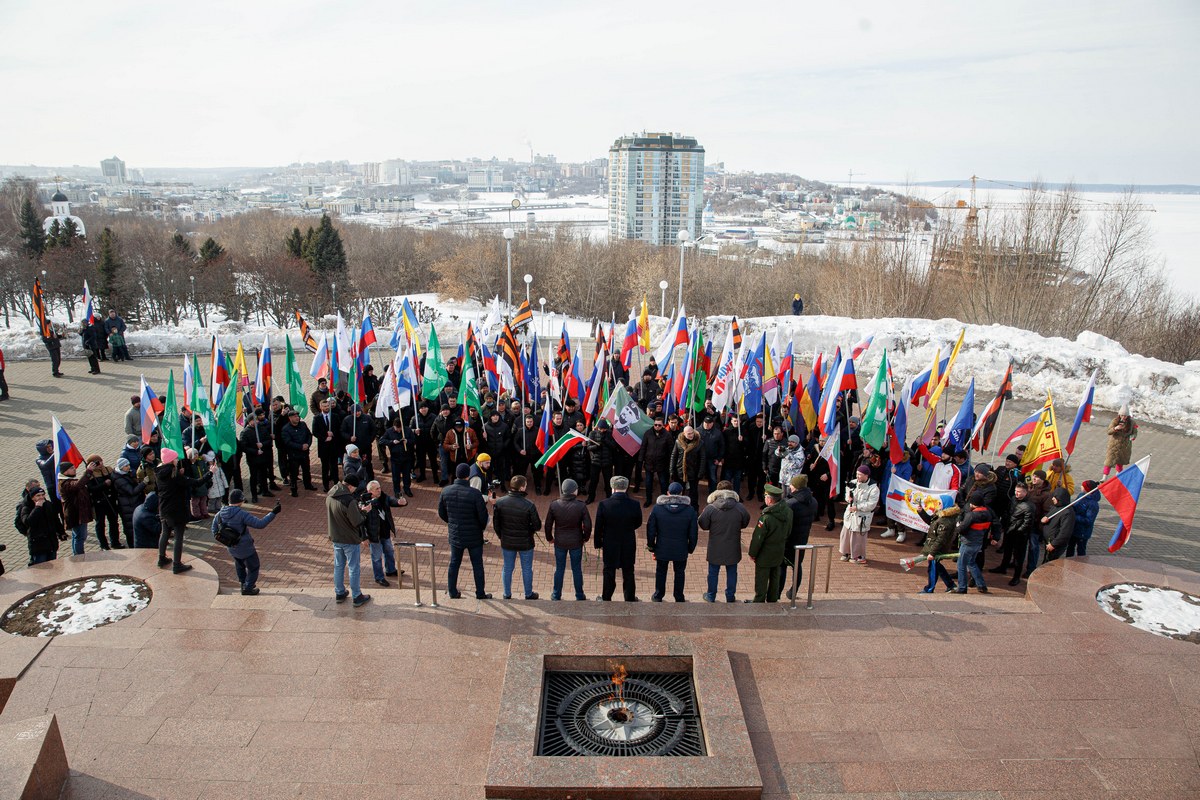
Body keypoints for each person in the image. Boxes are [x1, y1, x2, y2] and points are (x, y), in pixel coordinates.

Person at [156, 448, 214, 573]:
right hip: (176, 510)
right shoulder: (175, 475)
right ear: (171, 461)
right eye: (175, 458)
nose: (177, 460)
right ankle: (177, 564)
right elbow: (196, 482)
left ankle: (161, 558)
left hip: (164, 508)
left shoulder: (159, 473)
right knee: (178, 537)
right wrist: (210, 473)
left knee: (165, 532)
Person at [438, 462, 491, 599]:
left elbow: (442, 513)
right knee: (477, 565)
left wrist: (452, 523)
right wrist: (480, 527)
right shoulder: (475, 494)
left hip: (456, 535)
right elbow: (483, 517)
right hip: (474, 536)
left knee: (454, 563)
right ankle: (480, 593)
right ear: (468, 476)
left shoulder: (446, 491)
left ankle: (452, 591)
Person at [213, 489, 280, 595]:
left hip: (232, 548)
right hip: (246, 547)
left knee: (239, 565)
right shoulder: (242, 514)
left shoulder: (219, 514)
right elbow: (260, 524)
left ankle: (243, 584)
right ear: (240, 501)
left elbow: (214, 531)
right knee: (254, 567)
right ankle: (248, 588)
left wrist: (228, 541)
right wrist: (273, 513)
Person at [646, 482, 698, 602]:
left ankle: (658, 595)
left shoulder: (657, 509)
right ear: (681, 493)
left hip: (662, 547)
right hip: (681, 548)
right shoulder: (690, 510)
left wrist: (651, 546)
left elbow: (651, 530)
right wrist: (690, 547)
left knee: (661, 572)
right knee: (680, 573)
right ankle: (679, 596)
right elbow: (693, 533)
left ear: (668, 493)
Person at [594, 475, 643, 602]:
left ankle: (606, 596)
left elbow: (599, 526)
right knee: (628, 571)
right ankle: (630, 597)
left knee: (609, 570)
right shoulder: (635, 504)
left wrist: (598, 542)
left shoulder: (604, 504)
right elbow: (638, 522)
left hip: (610, 543)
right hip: (628, 542)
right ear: (626, 488)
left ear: (613, 488)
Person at [493, 475, 542, 600]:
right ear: (521, 488)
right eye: (525, 485)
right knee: (526, 568)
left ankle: (507, 593)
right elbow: (537, 525)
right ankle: (528, 593)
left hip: (507, 541)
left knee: (508, 567)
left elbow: (496, 524)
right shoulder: (529, 505)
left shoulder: (499, 503)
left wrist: (502, 536)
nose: (526, 487)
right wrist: (529, 531)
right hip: (525, 542)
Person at [699, 480, 749, 603]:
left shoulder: (711, 508)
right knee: (732, 572)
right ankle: (730, 596)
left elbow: (703, 524)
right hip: (733, 545)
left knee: (713, 572)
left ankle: (711, 595)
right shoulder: (740, 507)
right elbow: (745, 521)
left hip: (715, 546)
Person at [327, 473, 371, 606]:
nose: (354, 491)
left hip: (335, 537)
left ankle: (339, 592)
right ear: (350, 486)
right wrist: (364, 511)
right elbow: (357, 521)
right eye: (354, 489)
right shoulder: (349, 500)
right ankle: (357, 596)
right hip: (349, 539)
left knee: (339, 566)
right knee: (353, 567)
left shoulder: (330, 494)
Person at [545, 478, 592, 601]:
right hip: (576, 542)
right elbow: (588, 525)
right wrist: (585, 538)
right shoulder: (581, 506)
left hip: (560, 542)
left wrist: (549, 538)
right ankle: (579, 595)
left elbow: (548, 524)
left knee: (559, 569)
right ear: (573, 491)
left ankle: (556, 595)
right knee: (576, 569)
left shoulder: (554, 504)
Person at [747, 485, 791, 603]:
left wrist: (752, 553)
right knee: (775, 575)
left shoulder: (766, 518)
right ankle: (772, 599)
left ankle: (759, 600)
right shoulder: (788, 512)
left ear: (770, 500)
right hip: (779, 550)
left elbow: (758, 538)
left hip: (765, 553)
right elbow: (789, 531)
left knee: (762, 577)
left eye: (765, 496)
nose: (765, 498)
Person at [991, 481, 1035, 586]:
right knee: (1007, 551)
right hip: (1009, 530)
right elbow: (1008, 511)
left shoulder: (1029, 506)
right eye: (1016, 491)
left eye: (1019, 492)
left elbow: (1028, 523)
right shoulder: (1013, 499)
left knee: (1018, 557)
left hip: (1019, 535)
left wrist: (1018, 531)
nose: (1017, 493)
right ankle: (1003, 567)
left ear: (1025, 492)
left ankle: (1016, 577)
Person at [363, 479, 405, 587]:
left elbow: (392, 500)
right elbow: (361, 522)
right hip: (374, 535)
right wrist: (364, 537)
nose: (379, 490)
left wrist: (399, 502)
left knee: (389, 552)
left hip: (385, 532)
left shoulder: (383, 497)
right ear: (370, 491)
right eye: (377, 489)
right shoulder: (364, 503)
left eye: (380, 487)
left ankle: (390, 570)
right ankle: (379, 577)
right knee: (377, 557)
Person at [781, 475, 817, 598]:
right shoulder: (813, 501)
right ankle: (793, 591)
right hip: (802, 539)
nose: (789, 486)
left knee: (782, 566)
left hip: (788, 541)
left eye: (791, 484)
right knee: (797, 566)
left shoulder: (790, 504)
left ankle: (777, 592)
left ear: (796, 487)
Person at [839, 465, 879, 564]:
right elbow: (847, 494)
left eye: (860, 475)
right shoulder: (852, 483)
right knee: (846, 534)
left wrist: (858, 507)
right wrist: (848, 499)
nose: (857, 477)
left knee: (858, 537)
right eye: (857, 474)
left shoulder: (873, 488)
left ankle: (858, 556)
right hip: (850, 514)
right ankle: (846, 553)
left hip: (862, 517)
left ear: (866, 475)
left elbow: (871, 504)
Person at [954, 492, 993, 593]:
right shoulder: (988, 513)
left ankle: (962, 588)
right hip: (978, 542)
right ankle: (981, 585)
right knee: (971, 563)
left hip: (968, 542)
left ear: (972, 503)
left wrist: (958, 525)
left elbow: (962, 528)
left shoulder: (971, 515)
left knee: (961, 565)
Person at [917, 504, 960, 593]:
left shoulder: (945, 521)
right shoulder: (941, 515)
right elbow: (931, 521)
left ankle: (929, 589)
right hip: (933, 546)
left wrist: (932, 553)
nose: (938, 504)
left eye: (940, 503)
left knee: (933, 569)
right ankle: (950, 585)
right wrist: (922, 512)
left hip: (936, 548)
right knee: (937, 567)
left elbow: (941, 539)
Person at [20, 484, 64, 565]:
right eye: (38, 496)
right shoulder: (26, 508)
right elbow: (28, 522)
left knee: (54, 566)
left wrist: (61, 532)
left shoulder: (48, 504)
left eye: (43, 495)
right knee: (41, 568)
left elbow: (56, 519)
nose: (41, 497)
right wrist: (37, 508)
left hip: (51, 543)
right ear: (32, 497)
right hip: (38, 545)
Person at [58, 461, 94, 555]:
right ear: (65, 472)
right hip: (75, 514)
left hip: (80, 512)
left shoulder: (70, 479)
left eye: (74, 467)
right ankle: (79, 555)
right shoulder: (65, 483)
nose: (74, 469)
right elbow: (78, 485)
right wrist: (88, 471)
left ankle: (76, 554)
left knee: (77, 535)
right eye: (71, 468)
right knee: (80, 536)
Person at [280, 409, 316, 496]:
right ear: (290, 418)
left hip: (304, 453)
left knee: (306, 470)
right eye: (295, 416)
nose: (297, 418)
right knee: (293, 473)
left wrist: (308, 444)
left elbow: (309, 435)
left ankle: (308, 485)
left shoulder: (303, 424)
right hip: (294, 455)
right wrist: (300, 447)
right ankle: (294, 489)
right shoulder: (286, 429)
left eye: (298, 416)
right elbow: (288, 442)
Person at [639, 417, 672, 508]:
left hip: (662, 463)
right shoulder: (648, 433)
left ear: (663, 425)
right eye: (655, 425)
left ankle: (663, 500)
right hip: (649, 463)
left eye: (659, 425)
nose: (657, 426)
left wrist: (670, 463)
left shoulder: (667, 435)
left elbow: (670, 451)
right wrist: (640, 460)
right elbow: (643, 447)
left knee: (663, 483)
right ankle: (648, 500)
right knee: (648, 483)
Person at [378, 417, 416, 498]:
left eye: (400, 428)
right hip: (395, 458)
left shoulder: (407, 430)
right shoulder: (389, 431)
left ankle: (407, 489)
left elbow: (414, 440)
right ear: (394, 426)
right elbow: (381, 441)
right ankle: (397, 491)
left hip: (407, 457)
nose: (399, 430)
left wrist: (407, 441)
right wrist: (391, 442)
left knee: (406, 476)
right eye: (397, 428)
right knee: (396, 477)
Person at [112, 458, 145, 548]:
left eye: (128, 465)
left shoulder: (126, 474)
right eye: (126, 466)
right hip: (127, 506)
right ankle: (132, 547)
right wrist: (143, 484)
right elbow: (132, 491)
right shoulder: (119, 479)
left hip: (132, 504)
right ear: (121, 467)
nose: (128, 467)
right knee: (130, 528)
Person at [312, 398, 342, 491]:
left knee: (334, 466)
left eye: (327, 406)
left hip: (333, 446)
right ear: (321, 407)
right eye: (324, 406)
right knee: (325, 467)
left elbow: (339, 428)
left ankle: (336, 484)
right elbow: (315, 432)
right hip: (323, 447)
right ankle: (326, 486)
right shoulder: (317, 418)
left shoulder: (335, 416)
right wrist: (325, 437)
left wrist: (333, 433)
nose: (326, 408)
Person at [670, 425, 703, 508]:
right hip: (680, 472)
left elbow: (703, 459)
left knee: (693, 493)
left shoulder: (699, 443)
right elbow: (674, 456)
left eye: (692, 433)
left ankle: (694, 509)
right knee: (679, 492)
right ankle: (679, 508)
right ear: (684, 434)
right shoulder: (678, 442)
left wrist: (700, 473)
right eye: (689, 434)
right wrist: (671, 470)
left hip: (693, 472)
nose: (691, 435)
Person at [1103, 405, 1138, 480]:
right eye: (1122, 415)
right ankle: (1104, 477)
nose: (1123, 417)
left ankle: (1118, 477)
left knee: (1120, 462)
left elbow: (1135, 432)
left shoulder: (1132, 423)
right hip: (1114, 445)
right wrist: (1115, 428)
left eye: (1125, 415)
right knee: (1108, 462)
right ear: (1119, 414)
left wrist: (1133, 437)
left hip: (1124, 446)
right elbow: (1108, 431)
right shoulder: (1115, 421)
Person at [1041, 488, 1075, 564]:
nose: (1052, 498)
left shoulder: (1068, 512)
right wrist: (1044, 519)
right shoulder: (1056, 507)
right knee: (1046, 562)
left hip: (1055, 545)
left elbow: (1065, 532)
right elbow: (1048, 516)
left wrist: (1054, 544)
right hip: (1049, 542)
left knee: (1051, 564)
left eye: (1055, 497)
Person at [1069, 480, 1100, 557]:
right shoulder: (1081, 495)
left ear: (1087, 489)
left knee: (1081, 550)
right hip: (1074, 528)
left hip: (1083, 532)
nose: (1080, 487)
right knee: (1070, 547)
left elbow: (1089, 520)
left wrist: (1074, 516)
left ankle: (1082, 565)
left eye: (1082, 486)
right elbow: (1075, 506)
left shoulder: (1093, 504)